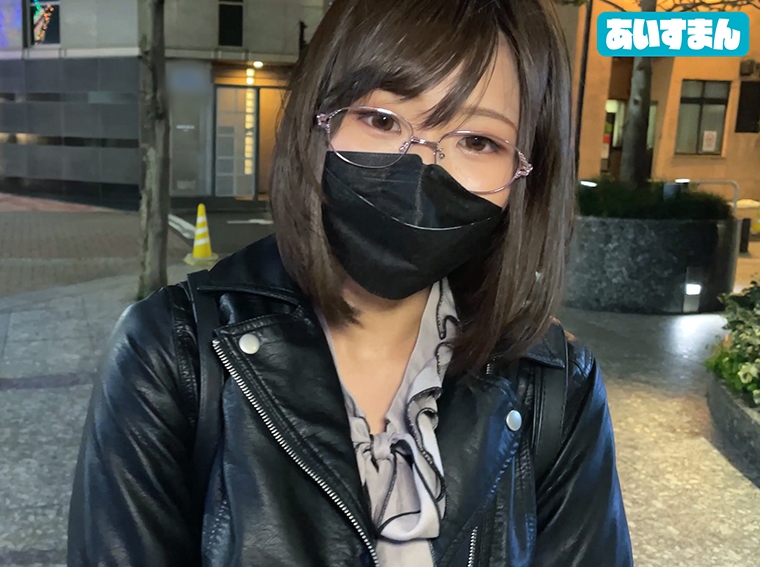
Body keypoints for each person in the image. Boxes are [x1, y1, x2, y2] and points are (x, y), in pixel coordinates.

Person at [67, 0, 634, 565]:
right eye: (382, 120)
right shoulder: (172, 355)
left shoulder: (555, 386)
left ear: (526, 175)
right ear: (321, 119)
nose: (420, 169)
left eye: (478, 141)